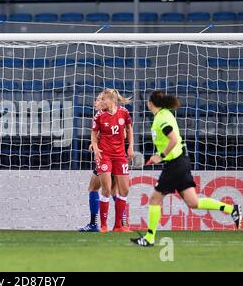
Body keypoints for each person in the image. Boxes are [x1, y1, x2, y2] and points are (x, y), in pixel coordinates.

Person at [131, 90, 241, 247]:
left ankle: (149, 238)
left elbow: (173, 139)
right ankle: (232, 209)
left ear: (151, 103)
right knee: (193, 202)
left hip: (175, 164)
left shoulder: (161, 118)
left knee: (154, 199)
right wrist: (160, 156)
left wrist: (160, 156)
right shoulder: (165, 114)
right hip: (180, 162)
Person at [79, 93, 128, 232]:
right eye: (97, 100)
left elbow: (121, 134)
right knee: (112, 190)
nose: (96, 102)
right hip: (107, 154)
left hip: (109, 155)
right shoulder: (100, 116)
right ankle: (121, 223)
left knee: (97, 188)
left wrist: (97, 143)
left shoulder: (116, 114)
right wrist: (95, 142)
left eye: (100, 99)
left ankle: (96, 223)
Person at [90, 89, 134, 233]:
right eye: (100, 99)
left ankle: (119, 225)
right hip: (105, 156)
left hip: (120, 156)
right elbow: (94, 134)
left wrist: (130, 147)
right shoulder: (99, 116)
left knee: (124, 190)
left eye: (103, 99)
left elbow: (129, 129)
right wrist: (96, 148)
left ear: (112, 100)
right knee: (106, 189)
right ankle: (103, 225)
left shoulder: (124, 113)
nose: (100, 102)